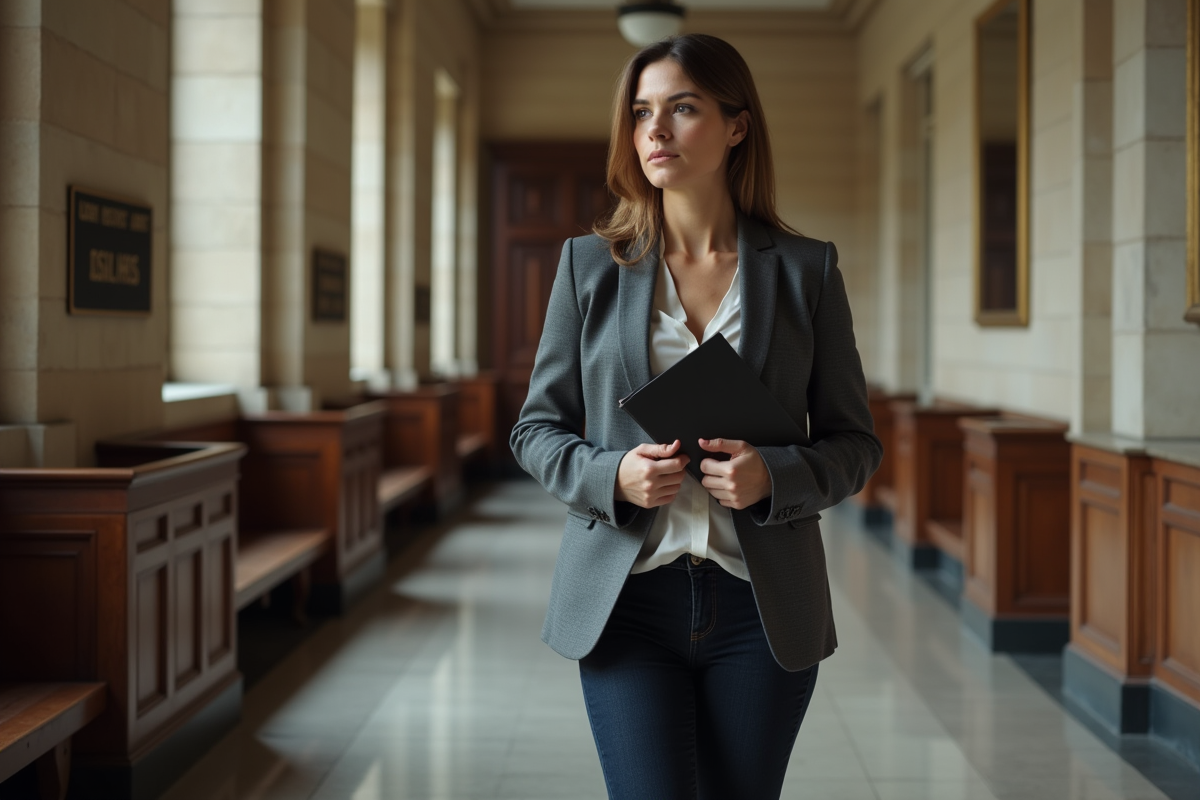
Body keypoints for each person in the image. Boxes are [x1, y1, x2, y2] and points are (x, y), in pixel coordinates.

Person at [509, 33, 882, 800]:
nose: (655, 131)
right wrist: (611, 473)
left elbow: (855, 444)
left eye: (683, 108)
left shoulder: (806, 270)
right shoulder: (590, 266)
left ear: (736, 125)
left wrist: (773, 474)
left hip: (761, 605)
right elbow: (536, 429)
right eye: (642, 112)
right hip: (626, 602)